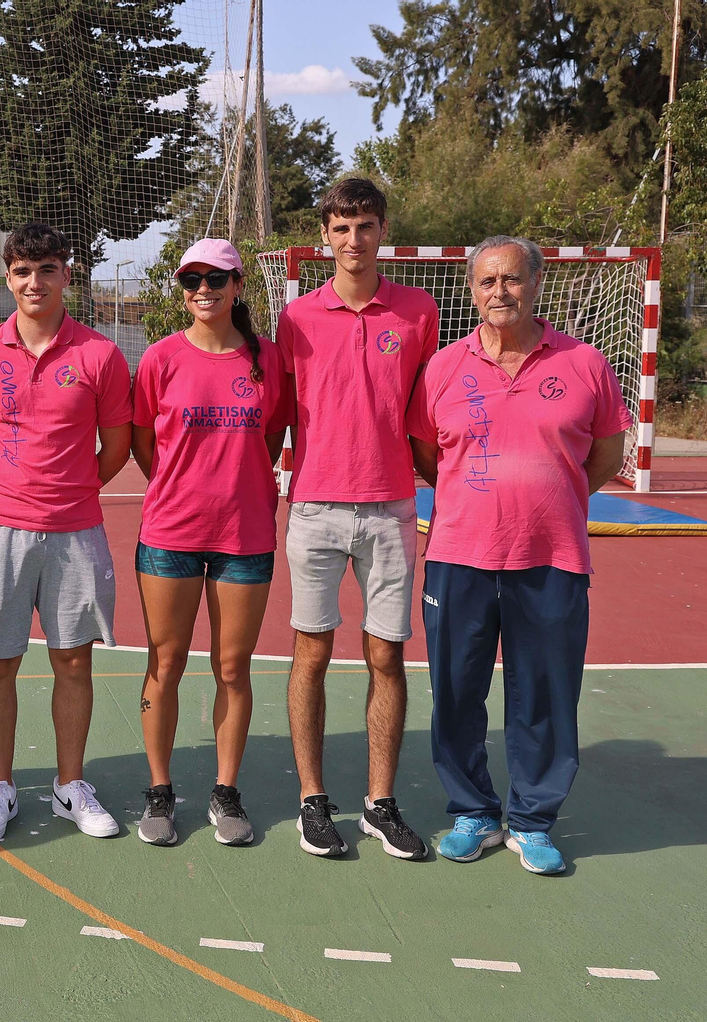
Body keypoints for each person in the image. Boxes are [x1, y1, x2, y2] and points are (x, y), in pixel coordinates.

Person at [409, 236, 631, 876]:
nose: (498, 292)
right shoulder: (444, 367)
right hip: (458, 554)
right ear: (470, 290)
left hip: (552, 558)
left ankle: (532, 820)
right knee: (455, 691)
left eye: (510, 279)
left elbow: (607, 457)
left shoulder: (585, 363)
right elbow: (428, 454)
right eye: (485, 282)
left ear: (537, 284)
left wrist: (550, 497)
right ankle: (473, 811)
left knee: (545, 693)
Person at [0, 222, 133, 844]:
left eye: (47, 269)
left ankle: (68, 785)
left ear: (66, 277)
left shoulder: (101, 355)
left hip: (76, 529)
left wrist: (69, 489)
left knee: (73, 660)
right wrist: (11, 486)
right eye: (23, 271)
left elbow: (117, 448)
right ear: (8, 278)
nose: (35, 281)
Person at [277, 177, 439, 861]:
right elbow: (275, 416)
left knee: (387, 656)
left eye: (365, 226)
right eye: (341, 228)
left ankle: (380, 803)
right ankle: (313, 801)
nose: (353, 240)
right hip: (314, 507)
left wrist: (448, 487)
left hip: (391, 508)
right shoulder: (297, 319)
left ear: (382, 232)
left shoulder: (418, 312)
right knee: (311, 653)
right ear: (325, 237)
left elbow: (429, 416)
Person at [131, 239, 292, 847]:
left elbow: (273, 435)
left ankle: (225, 792)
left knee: (232, 667)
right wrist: (184, 488)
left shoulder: (267, 359)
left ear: (238, 286)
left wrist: (236, 485)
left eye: (216, 278)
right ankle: (159, 790)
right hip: (170, 531)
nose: (204, 288)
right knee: (164, 663)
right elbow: (146, 443)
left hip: (244, 533)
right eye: (192, 279)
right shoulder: (161, 359)